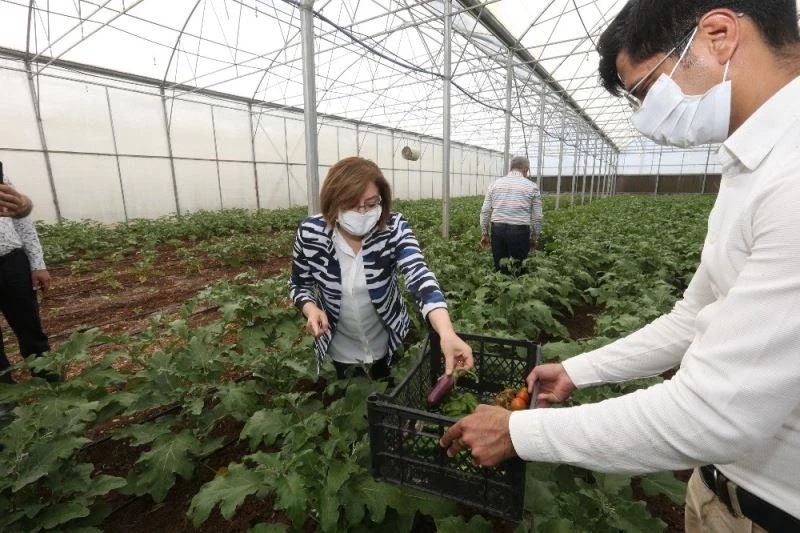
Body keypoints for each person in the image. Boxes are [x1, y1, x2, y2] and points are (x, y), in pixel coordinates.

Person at [440, 2, 800, 532]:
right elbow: (692, 316)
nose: (644, 115)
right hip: (719, 489)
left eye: (645, 90)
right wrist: (578, 370)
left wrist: (517, 433)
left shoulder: (791, 178)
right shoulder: (752, 164)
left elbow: (714, 411)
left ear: (719, 35)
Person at [289, 156, 474, 380]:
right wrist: (310, 309)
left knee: (389, 386)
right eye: (351, 205)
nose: (362, 212)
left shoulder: (393, 227)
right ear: (333, 201)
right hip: (339, 346)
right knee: (350, 394)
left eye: (371, 204)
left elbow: (419, 275)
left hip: (389, 341)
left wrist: (446, 331)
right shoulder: (311, 233)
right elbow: (299, 285)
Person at [0, 169, 53, 390]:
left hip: (12, 261)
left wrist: (38, 264)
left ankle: (47, 379)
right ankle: (5, 394)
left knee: (30, 327)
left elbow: (22, 220)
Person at [479, 156, 543, 275]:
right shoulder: (532, 187)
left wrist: (485, 233)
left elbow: (485, 211)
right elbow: (538, 217)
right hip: (520, 231)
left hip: (498, 230)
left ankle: (501, 285)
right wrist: (534, 238)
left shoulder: (494, 185)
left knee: (500, 268)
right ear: (525, 169)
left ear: (511, 168)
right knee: (518, 269)